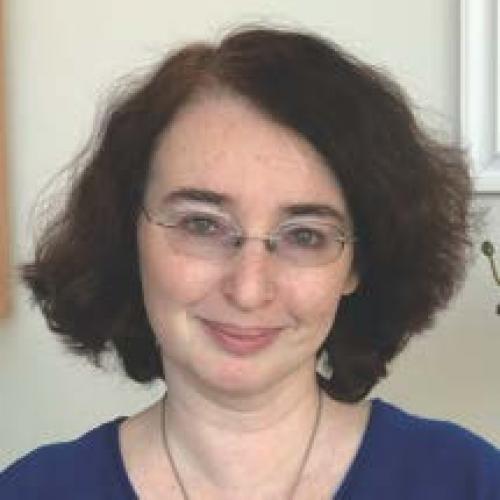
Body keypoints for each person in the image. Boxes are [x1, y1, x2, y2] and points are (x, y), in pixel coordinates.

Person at [1, 26, 499, 499]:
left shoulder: (470, 483)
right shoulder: (32, 492)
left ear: (357, 265)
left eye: (305, 235)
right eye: (202, 225)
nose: (248, 289)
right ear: (128, 234)